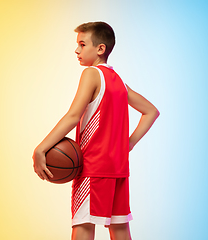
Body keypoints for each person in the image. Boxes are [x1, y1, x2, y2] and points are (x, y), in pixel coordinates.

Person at [33, 21, 160, 240]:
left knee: (83, 227)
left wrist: (40, 149)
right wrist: (127, 144)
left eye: (82, 44)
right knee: (120, 231)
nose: (77, 50)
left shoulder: (91, 74)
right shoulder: (119, 81)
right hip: (118, 169)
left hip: (93, 168)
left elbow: (73, 116)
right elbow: (151, 111)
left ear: (100, 49)